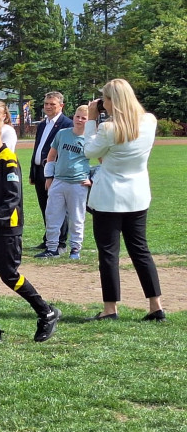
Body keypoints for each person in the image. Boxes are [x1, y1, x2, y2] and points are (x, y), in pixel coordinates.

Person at [0, 110, 61, 342]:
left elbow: (12, 197)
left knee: (9, 275)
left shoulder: (8, 159)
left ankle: (46, 312)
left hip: (4, 230)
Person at [83, 79, 165, 321]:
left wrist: (90, 118)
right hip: (138, 194)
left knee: (109, 253)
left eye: (105, 100)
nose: (103, 105)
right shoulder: (149, 121)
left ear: (113, 101)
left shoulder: (109, 128)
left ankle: (110, 308)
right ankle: (156, 305)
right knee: (141, 251)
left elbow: (89, 152)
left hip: (109, 197)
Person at [36, 105, 91, 260]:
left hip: (78, 183)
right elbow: (51, 156)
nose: (79, 120)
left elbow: (103, 161)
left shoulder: (91, 139)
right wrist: (49, 177)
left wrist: (91, 178)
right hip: (59, 180)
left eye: (84, 118)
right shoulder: (62, 133)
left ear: (89, 120)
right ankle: (51, 248)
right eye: (77, 116)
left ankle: (75, 248)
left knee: (76, 217)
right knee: (52, 214)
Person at [29, 91, 72, 250]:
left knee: (59, 208)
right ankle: (49, 238)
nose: (48, 107)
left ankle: (60, 242)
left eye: (52, 104)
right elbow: (37, 149)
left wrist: (54, 173)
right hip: (40, 171)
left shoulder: (67, 124)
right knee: (45, 206)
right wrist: (33, 172)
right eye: (46, 104)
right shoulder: (42, 124)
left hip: (55, 173)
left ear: (61, 105)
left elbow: (65, 151)